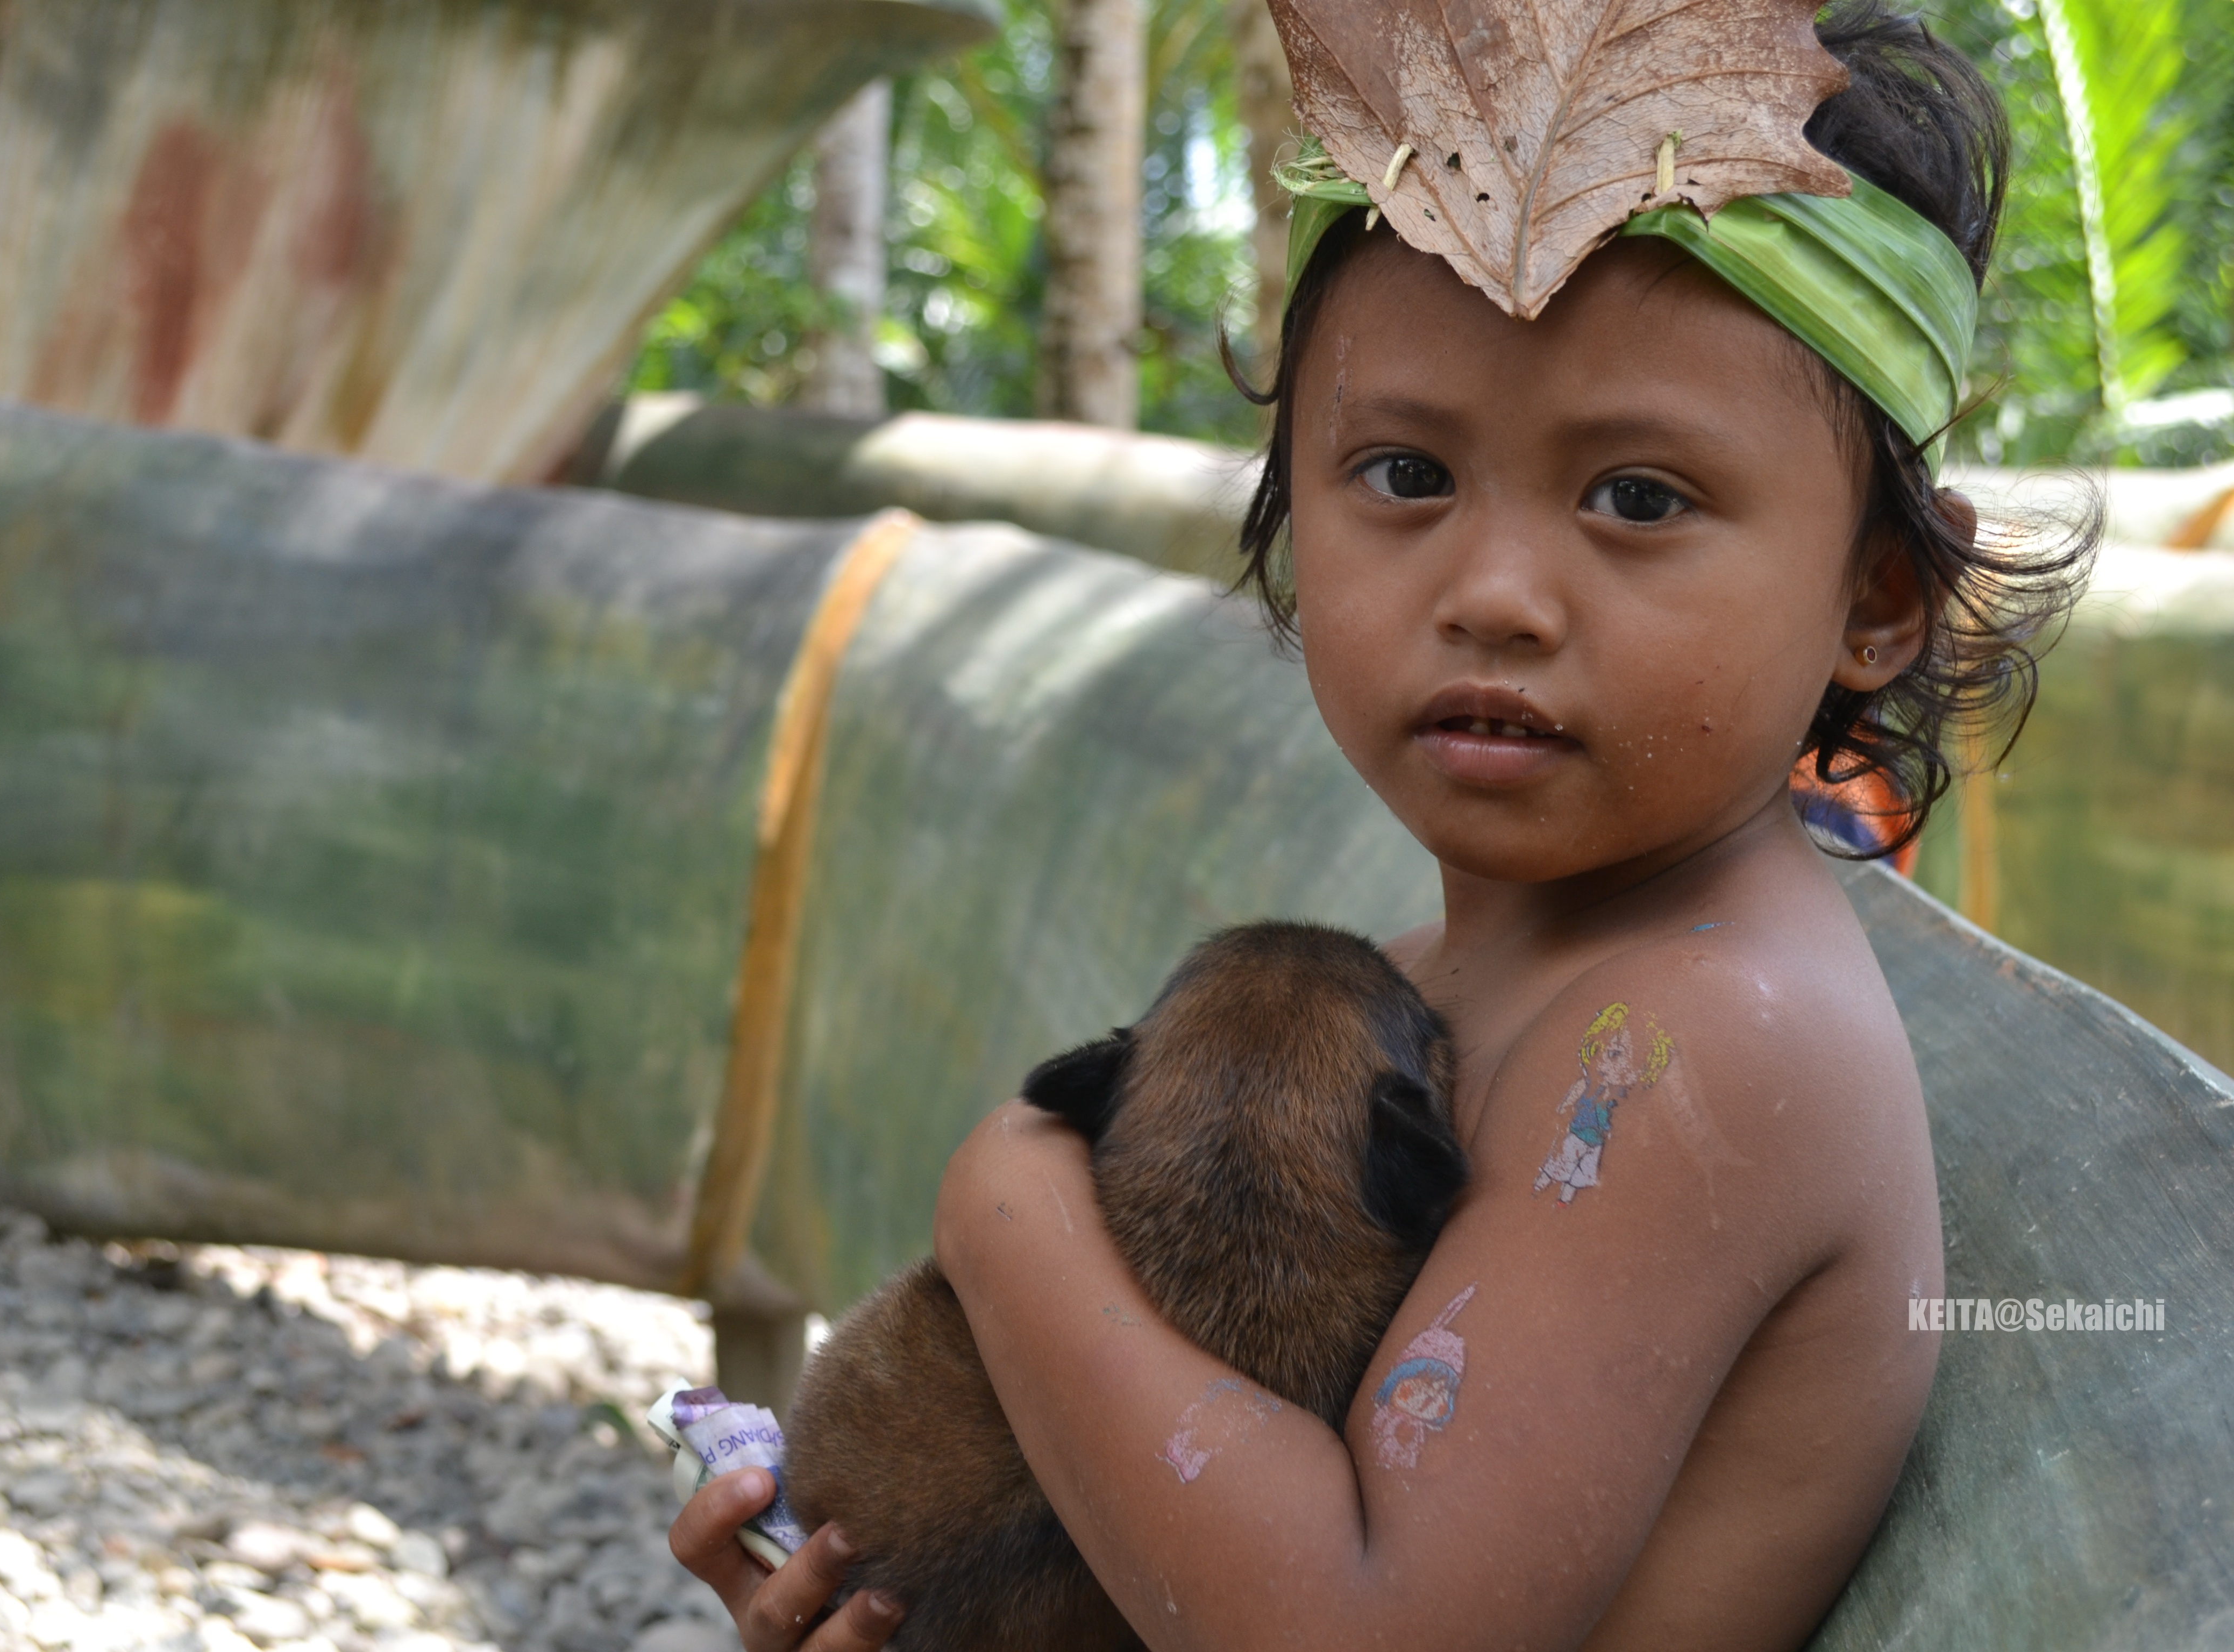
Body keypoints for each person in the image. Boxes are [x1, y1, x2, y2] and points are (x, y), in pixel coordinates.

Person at [671, 3, 2095, 1646]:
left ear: (1879, 597)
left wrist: (1007, 1213)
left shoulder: (1702, 1045)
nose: (1493, 595)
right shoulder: (1455, 985)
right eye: (1408, 474)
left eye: (1638, 497)